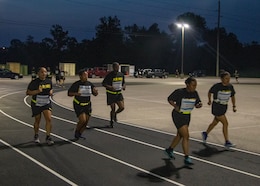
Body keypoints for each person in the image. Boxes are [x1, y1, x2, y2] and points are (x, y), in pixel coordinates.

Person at [164, 77, 202, 165]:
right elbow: (169, 99)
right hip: (178, 115)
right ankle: (186, 157)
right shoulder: (180, 92)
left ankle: (169, 150)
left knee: (180, 135)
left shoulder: (195, 93)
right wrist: (175, 106)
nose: (195, 87)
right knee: (186, 136)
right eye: (193, 85)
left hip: (187, 115)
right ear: (187, 84)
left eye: (195, 85)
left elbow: (197, 103)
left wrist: (199, 105)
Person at [202, 71, 237, 149]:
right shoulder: (217, 86)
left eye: (229, 78)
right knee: (225, 123)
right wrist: (209, 100)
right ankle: (227, 142)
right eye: (226, 78)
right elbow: (209, 92)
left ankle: (205, 133)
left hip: (224, 107)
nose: (228, 80)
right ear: (222, 79)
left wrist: (234, 106)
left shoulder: (230, 87)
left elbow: (233, 96)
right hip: (216, 107)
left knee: (215, 122)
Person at [26, 67, 54, 145]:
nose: (44, 73)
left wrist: (51, 92)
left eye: (45, 72)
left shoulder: (49, 81)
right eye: (42, 72)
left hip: (46, 103)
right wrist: (37, 91)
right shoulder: (34, 82)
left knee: (49, 119)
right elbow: (28, 92)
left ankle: (48, 136)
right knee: (37, 120)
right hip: (36, 104)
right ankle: (36, 135)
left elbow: (51, 89)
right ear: (38, 73)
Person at [68, 69, 98, 139]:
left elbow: (95, 94)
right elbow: (69, 93)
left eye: (87, 75)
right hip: (78, 104)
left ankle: (80, 134)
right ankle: (77, 131)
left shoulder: (89, 84)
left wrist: (95, 92)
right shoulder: (76, 84)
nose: (86, 76)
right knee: (82, 120)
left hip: (87, 105)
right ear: (80, 76)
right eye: (84, 75)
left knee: (86, 122)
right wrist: (76, 93)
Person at [102, 62, 126, 128]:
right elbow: (103, 84)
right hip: (111, 94)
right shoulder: (109, 75)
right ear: (113, 67)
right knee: (113, 108)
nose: (117, 68)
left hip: (118, 94)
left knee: (122, 107)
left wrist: (124, 86)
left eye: (118, 67)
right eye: (116, 67)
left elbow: (123, 83)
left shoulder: (121, 74)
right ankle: (111, 122)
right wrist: (110, 87)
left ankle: (115, 114)